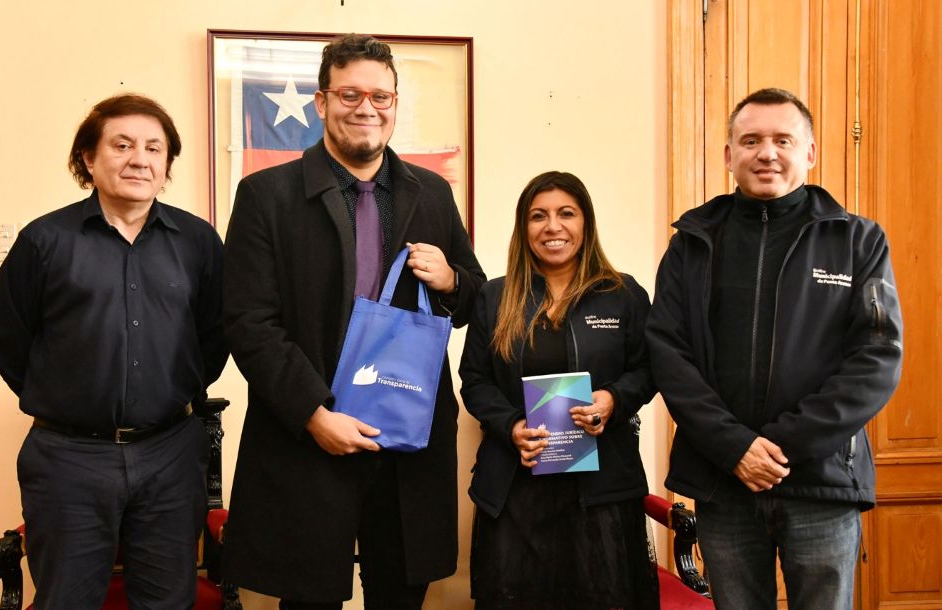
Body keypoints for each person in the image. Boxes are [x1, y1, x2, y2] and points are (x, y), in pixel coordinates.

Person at [220, 34, 485, 609]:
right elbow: (248, 321)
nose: (367, 108)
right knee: (308, 597)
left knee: (402, 594)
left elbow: (473, 301)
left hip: (407, 440)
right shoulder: (266, 195)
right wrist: (314, 415)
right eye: (350, 94)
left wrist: (451, 280)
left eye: (380, 96)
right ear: (321, 101)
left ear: (394, 104)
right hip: (310, 435)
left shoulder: (432, 193)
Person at [646, 88, 903, 610]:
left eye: (783, 140)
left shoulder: (858, 241)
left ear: (809, 152)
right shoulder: (692, 242)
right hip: (723, 482)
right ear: (729, 155)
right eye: (751, 141)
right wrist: (736, 449)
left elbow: (876, 358)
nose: (767, 153)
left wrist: (779, 449)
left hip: (822, 483)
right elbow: (668, 354)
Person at [0, 94, 227, 609]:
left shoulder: (198, 242)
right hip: (68, 458)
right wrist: (62, 396)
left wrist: (169, 392)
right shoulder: (44, 240)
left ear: (166, 164)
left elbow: (214, 335)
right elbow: (6, 336)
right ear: (89, 159)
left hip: (170, 453)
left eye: (154, 148)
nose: (139, 159)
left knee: (167, 601)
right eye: (122, 145)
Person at [459, 171, 659, 610]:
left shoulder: (623, 294)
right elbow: (474, 380)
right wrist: (512, 426)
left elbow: (650, 370)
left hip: (601, 492)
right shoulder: (494, 297)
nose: (553, 226)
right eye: (539, 216)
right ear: (523, 226)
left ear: (585, 222)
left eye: (566, 213)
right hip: (515, 489)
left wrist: (613, 399)